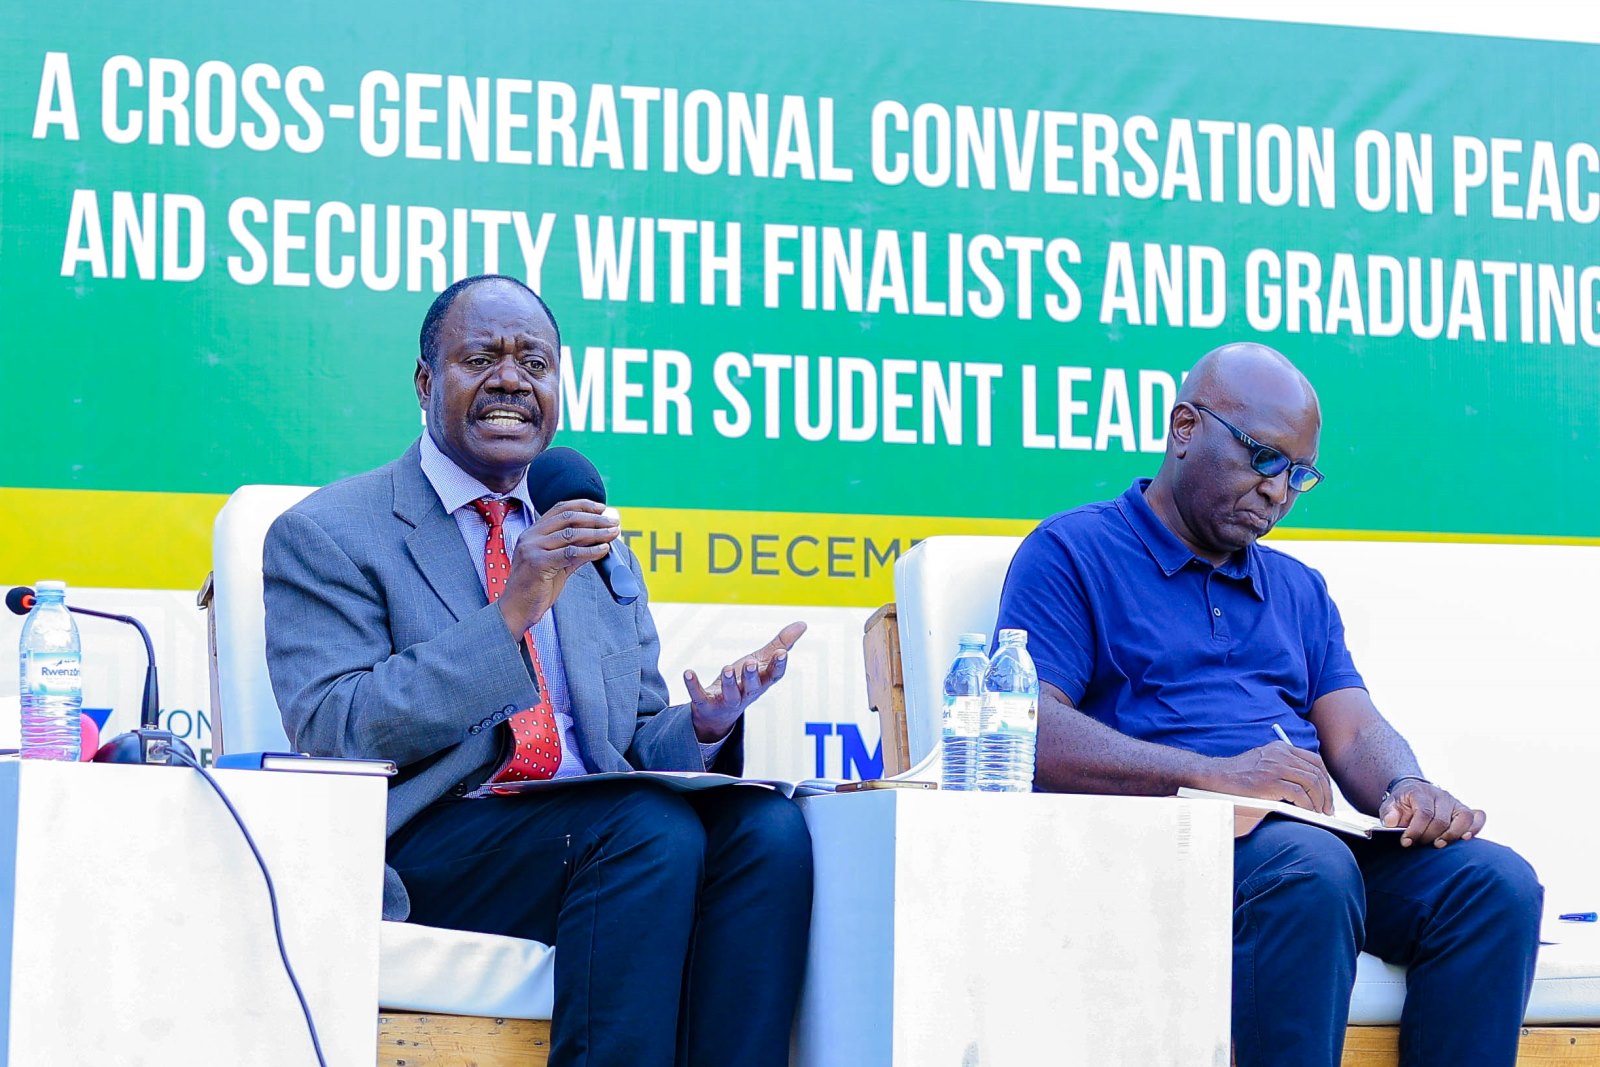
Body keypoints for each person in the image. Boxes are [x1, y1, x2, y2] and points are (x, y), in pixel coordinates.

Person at [262, 274, 813, 1067]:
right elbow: (334, 728)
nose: (512, 379)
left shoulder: (589, 537)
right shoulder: (328, 532)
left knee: (767, 832)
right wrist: (509, 614)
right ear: (425, 383)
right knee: (646, 829)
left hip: (595, 829)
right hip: (430, 841)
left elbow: (628, 745)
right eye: (480, 356)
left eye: (536, 363)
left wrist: (705, 724)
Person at [993, 342, 1541, 1067]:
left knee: (1493, 885)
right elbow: (1025, 726)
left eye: (1299, 474)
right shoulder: (1073, 551)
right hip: (1165, 846)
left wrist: (1407, 787)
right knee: (1311, 868)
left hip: (1303, 846)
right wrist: (1215, 775)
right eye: (1263, 458)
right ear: (1185, 428)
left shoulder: (1298, 587)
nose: (1278, 490)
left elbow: (1354, 729)